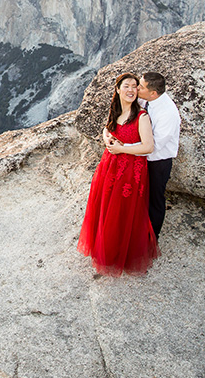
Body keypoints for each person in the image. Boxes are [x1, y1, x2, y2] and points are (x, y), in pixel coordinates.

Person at [77, 72, 159, 276]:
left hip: (131, 170)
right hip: (110, 166)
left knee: (124, 211)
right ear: (118, 90)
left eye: (134, 86)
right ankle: (107, 249)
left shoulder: (142, 116)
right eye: (127, 86)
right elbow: (107, 129)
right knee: (107, 208)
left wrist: (122, 149)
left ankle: (122, 254)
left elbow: (148, 147)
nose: (131, 90)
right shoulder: (115, 112)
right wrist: (107, 139)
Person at [136, 72, 181, 240]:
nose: (137, 88)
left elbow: (154, 146)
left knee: (155, 199)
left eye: (141, 87)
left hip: (158, 162)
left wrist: (125, 147)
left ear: (153, 93)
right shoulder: (149, 100)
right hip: (144, 158)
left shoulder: (167, 113)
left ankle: (151, 237)